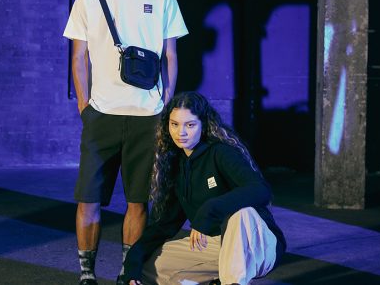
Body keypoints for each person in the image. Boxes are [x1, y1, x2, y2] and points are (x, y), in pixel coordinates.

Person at [63, 0, 189, 285]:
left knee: (138, 201)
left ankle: (126, 273)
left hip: (147, 117)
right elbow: (78, 57)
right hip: (101, 114)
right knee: (88, 199)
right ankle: (87, 273)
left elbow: (171, 55)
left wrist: (165, 104)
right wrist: (84, 107)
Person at [122, 91, 286, 285]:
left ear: (203, 125)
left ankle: (231, 281)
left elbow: (261, 190)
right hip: (216, 246)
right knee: (150, 266)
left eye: (190, 125)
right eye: (174, 124)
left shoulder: (221, 153)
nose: (181, 132)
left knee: (242, 213)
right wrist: (132, 265)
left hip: (257, 244)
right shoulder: (175, 166)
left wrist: (210, 209)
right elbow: (163, 226)